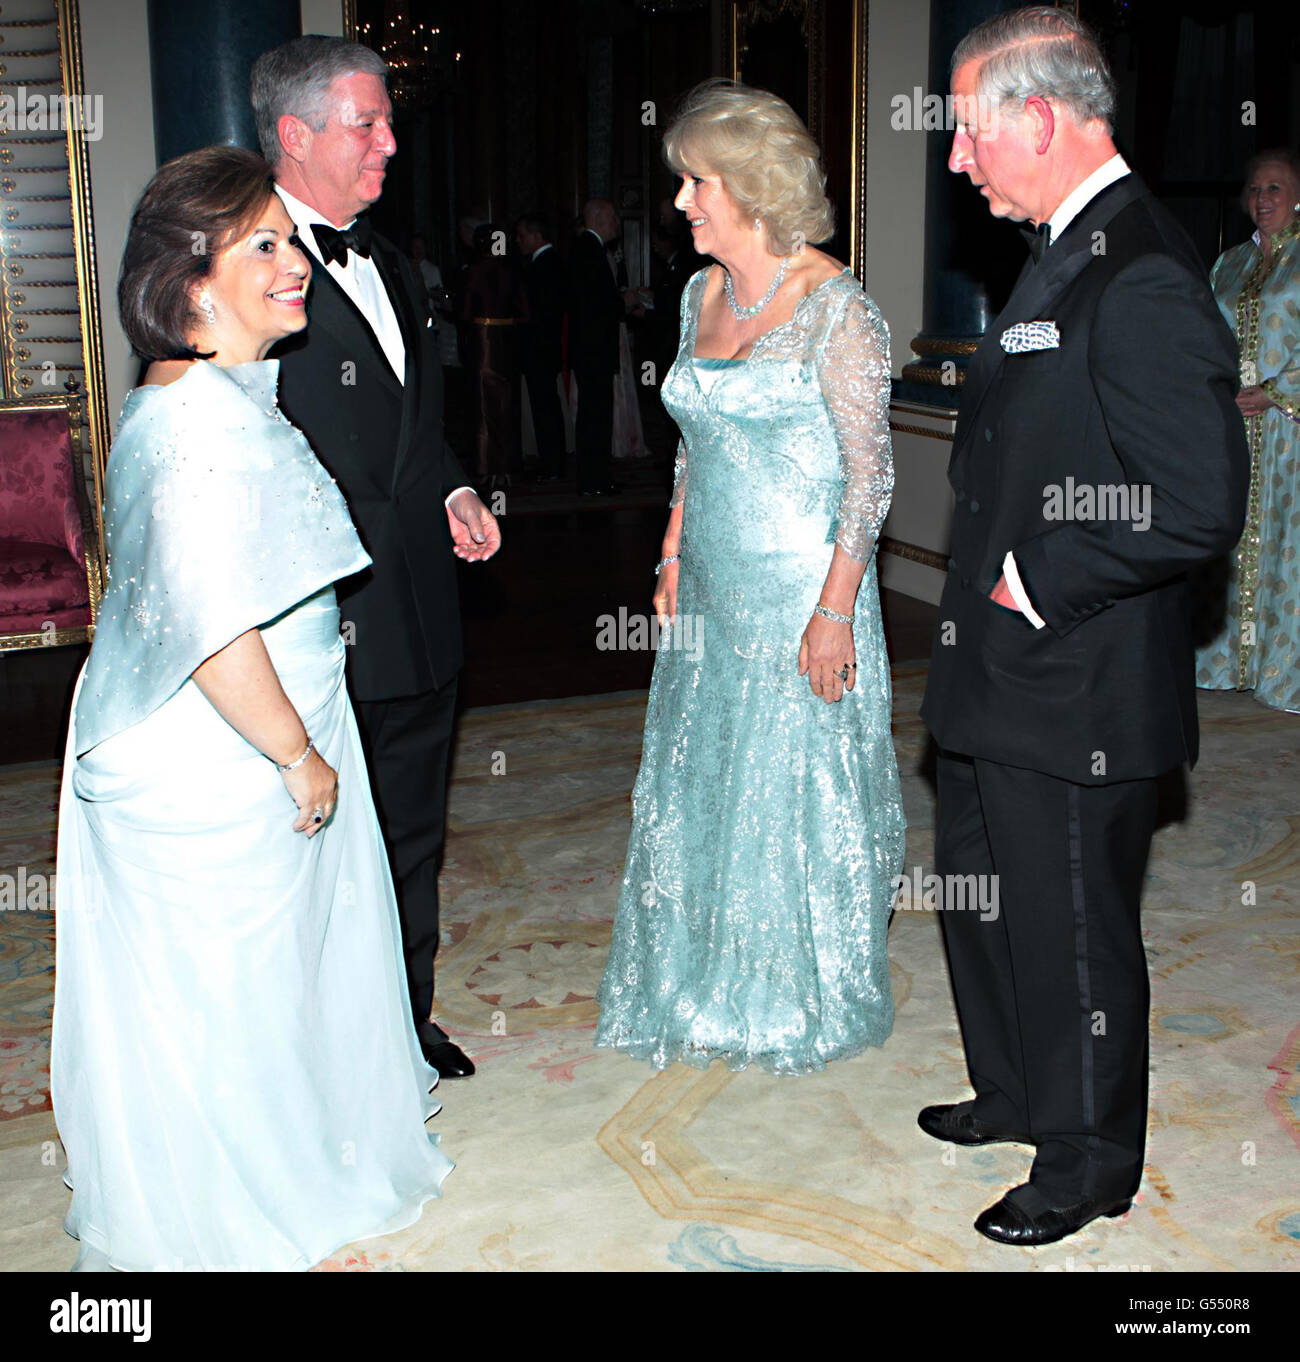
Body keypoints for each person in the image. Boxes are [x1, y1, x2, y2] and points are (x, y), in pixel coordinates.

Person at [51, 146, 454, 1271]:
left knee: (276, 975)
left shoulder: (206, 395)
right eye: (265, 247)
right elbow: (217, 627)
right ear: (192, 284)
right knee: (233, 988)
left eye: (291, 242)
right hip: (226, 748)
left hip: (258, 723)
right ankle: (238, 1201)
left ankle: (294, 1147)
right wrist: (298, 756)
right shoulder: (196, 428)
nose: (297, 268)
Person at [920, 6, 1249, 1247]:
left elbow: (1197, 500)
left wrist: (1042, 575)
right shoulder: (1069, 245)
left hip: (1077, 679)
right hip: (999, 671)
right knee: (986, 897)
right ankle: (1015, 1091)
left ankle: (1088, 1162)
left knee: (1068, 929)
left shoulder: (1144, 267)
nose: (956, 161)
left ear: (1039, 121)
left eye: (965, 134)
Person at [594, 79, 905, 1075]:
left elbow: (871, 481)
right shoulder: (697, 295)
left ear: (754, 188)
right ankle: (698, 973)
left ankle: (788, 995)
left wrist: (833, 615)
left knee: (793, 793)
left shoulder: (837, 311)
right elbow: (693, 442)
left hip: (800, 590)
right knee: (703, 774)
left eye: (698, 183)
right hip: (714, 582)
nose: (681, 202)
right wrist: (672, 549)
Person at [251, 36, 501, 1080]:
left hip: (419, 605)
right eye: (368, 123)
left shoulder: (393, 259)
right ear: (294, 134)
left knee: (408, 830)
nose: (390, 143)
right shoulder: (236, 268)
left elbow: (414, 423)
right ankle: (316, 1046)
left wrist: (448, 485)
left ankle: (404, 1017)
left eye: (387, 120)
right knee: (305, 846)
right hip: (309, 618)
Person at [1195, 148, 1300, 712]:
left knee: (1289, 546)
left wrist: (1278, 391)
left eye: (1276, 188)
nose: (1263, 199)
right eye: (1256, 189)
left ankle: (1284, 673)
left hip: (1291, 433)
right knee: (1228, 536)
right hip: (1233, 427)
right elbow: (1207, 335)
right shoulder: (1228, 262)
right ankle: (1226, 661)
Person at [460, 222, 526, 489]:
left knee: (484, 407)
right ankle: (509, 468)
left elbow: (463, 314)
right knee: (509, 406)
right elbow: (526, 314)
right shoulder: (514, 272)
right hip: (507, 343)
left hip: (483, 344)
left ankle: (486, 468)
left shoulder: (473, 272)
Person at [568, 198, 624, 495]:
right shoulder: (590, 250)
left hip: (590, 350)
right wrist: (623, 303)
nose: (617, 222)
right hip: (594, 351)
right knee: (595, 417)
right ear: (601, 217)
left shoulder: (587, 248)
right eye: (614, 216)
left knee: (594, 415)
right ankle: (594, 480)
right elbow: (598, 303)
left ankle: (595, 478)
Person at [515, 214, 567, 481]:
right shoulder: (545, 264)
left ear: (537, 236)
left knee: (545, 407)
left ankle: (553, 465)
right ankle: (553, 462)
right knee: (546, 406)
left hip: (540, 350)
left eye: (522, 236)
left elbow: (540, 315)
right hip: (543, 350)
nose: (518, 241)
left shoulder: (545, 265)